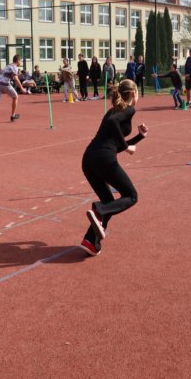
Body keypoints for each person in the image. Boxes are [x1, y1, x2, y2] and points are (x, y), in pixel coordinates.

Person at [79, 79, 148, 256]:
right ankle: (99, 210)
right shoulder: (129, 109)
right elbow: (113, 124)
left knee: (109, 202)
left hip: (89, 159)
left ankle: (90, 241)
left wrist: (139, 137)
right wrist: (126, 147)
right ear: (133, 93)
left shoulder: (114, 110)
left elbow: (113, 144)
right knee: (131, 196)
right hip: (103, 159)